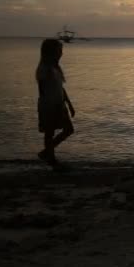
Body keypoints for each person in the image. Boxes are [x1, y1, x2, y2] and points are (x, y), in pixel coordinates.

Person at [36, 39, 75, 170]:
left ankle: (46, 152)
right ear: (51, 52)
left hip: (59, 104)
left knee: (68, 129)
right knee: (49, 133)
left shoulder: (55, 68)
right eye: (59, 50)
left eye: (61, 50)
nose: (61, 53)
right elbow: (42, 90)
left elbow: (61, 88)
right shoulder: (44, 69)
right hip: (49, 105)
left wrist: (69, 104)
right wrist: (49, 106)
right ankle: (51, 160)